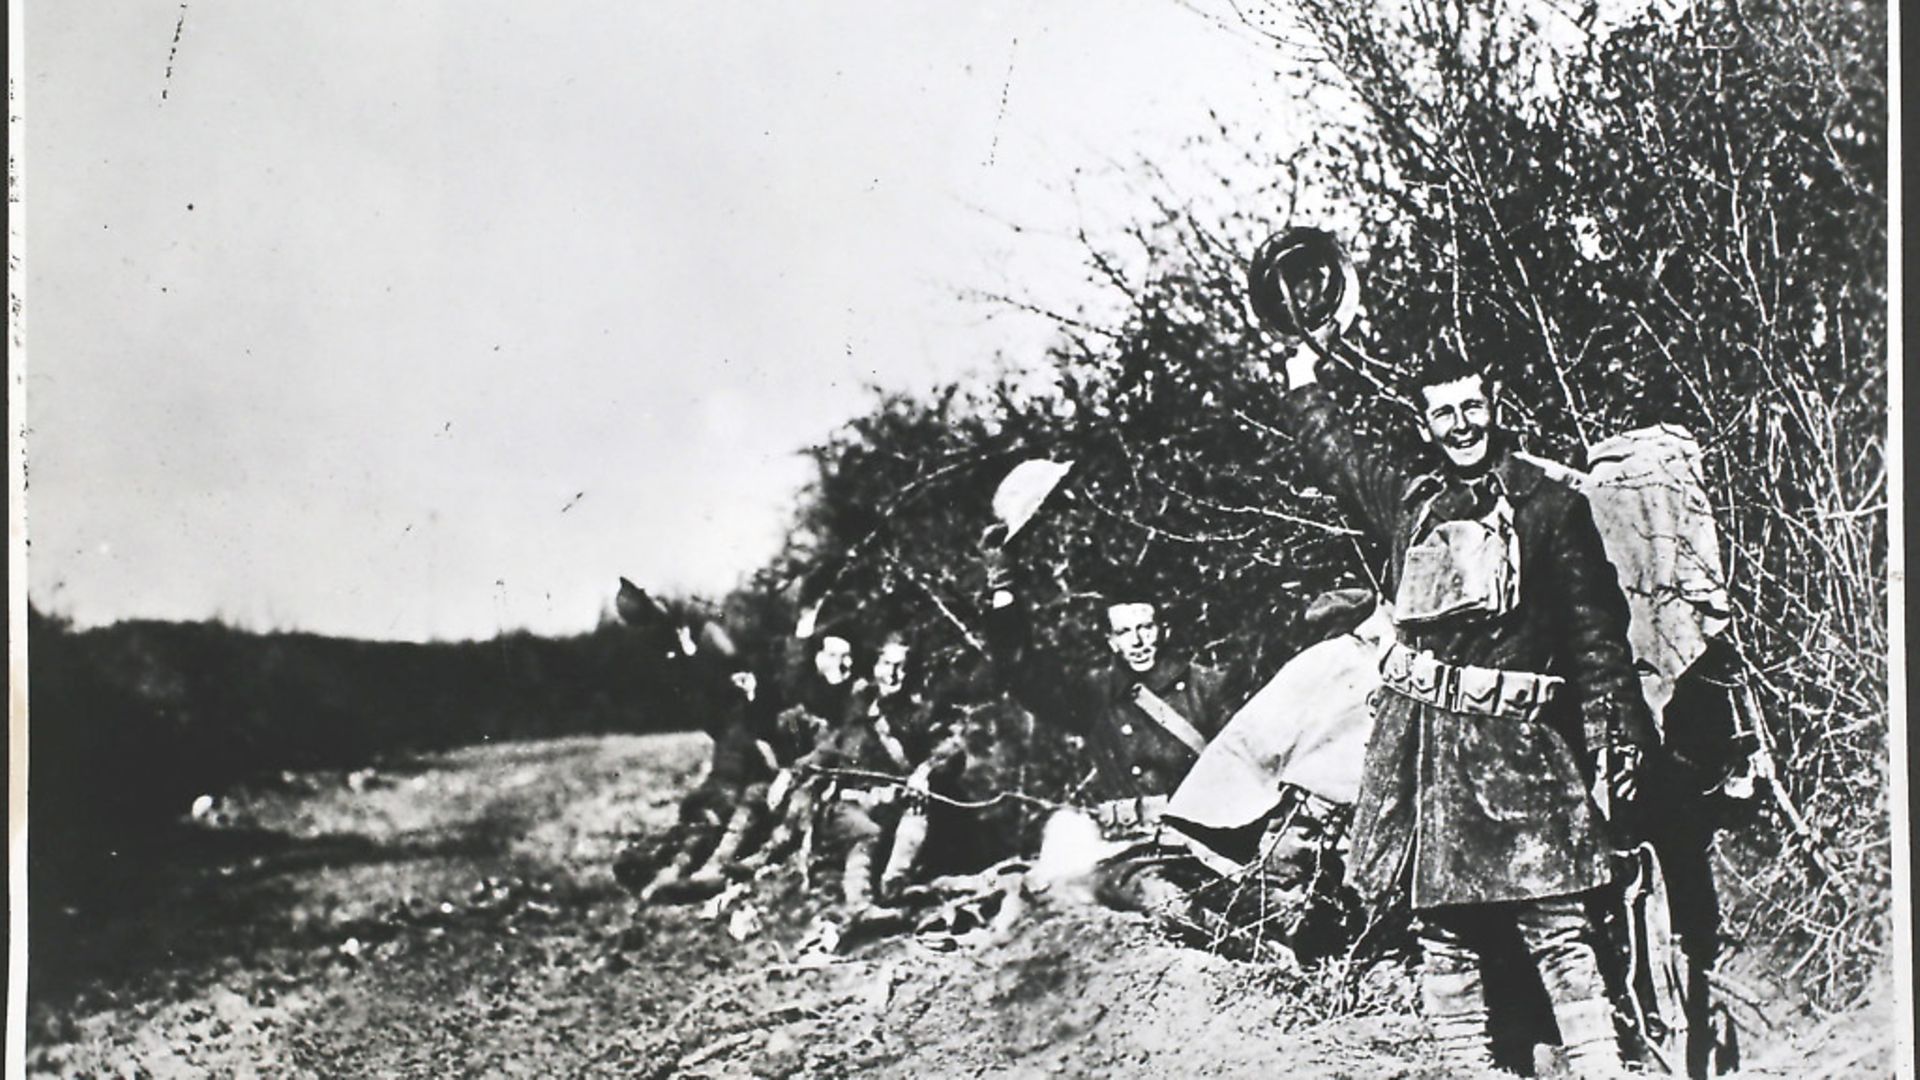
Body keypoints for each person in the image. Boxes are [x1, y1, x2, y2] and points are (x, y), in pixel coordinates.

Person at [1264, 339, 1654, 1078]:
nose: (1461, 424)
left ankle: (1601, 1069)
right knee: (1444, 935)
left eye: (1472, 406)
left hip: (1525, 755)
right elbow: (1337, 457)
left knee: (1559, 925)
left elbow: (1596, 634)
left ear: (1494, 405)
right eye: (1443, 412)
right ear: (1424, 424)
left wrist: (1615, 740)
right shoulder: (1410, 507)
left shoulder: (1550, 507)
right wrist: (1299, 375)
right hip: (1431, 755)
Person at [979, 533, 1235, 918]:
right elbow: (1021, 673)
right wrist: (1002, 587)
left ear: (1162, 630)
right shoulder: (1095, 695)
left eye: (1145, 628)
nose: (1138, 642)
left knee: (1273, 906)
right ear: (1111, 641)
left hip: (1208, 843)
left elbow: (1245, 767)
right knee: (1171, 906)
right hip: (1130, 852)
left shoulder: (1208, 686)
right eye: (1125, 632)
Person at [800, 631, 966, 911]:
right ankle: (860, 905)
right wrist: (794, 772)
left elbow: (952, 749)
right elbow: (832, 745)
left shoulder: (921, 713)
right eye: (887, 665)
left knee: (916, 811)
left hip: (898, 804)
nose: (893, 674)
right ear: (875, 667)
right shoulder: (858, 705)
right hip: (852, 804)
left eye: (901, 667)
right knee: (864, 832)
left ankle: (894, 887)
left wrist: (924, 771)